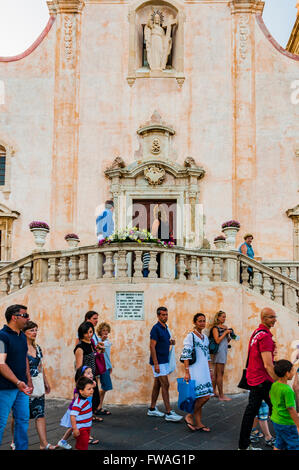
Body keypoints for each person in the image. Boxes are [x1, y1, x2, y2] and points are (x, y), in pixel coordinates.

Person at [238, 307, 277, 450]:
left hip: (254, 378)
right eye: (271, 317)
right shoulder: (265, 336)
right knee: (279, 410)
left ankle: (243, 445)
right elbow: (268, 364)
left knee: (251, 412)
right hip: (263, 380)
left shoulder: (257, 333)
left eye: (275, 316)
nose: (274, 319)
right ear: (263, 318)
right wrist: (278, 382)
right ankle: (286, 441)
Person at [0, 304, 33, 450]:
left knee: (23, 420)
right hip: (4, 388)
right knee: (0, 423)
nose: (28, 318)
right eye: (25, 315)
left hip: (21, 388)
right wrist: (17, 381)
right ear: (14, 317)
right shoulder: (1, 337)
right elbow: (1, 364)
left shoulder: (21, 336)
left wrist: (28, 379)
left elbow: (24, 358)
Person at [20, 321, 56, 450]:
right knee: (20, 416)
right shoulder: (20, 348)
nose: (35, 332)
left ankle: (43, 443)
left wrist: (46, 382)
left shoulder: (38, 348)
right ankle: (15, 441)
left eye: (36, 330)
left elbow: (40, 366)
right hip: (24, 386)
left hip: (38, 384)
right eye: (31, 330)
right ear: (24, 332)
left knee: (40, 414)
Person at [148, 306, 182, 422]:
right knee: (165, 384)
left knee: (157, 385)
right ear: (158, 316)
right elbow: (152, 346)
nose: (165, 317)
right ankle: (168, 412)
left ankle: (152, 409)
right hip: (159, 361)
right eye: (162, 315)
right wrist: (156, 364)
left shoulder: (165, 327)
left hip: (165, 360)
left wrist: (170, 342)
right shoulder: (155, 328)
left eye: (166, 314)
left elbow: (163, 341)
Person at [182, 313, 214, 432]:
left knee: (201, 396)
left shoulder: (205, 338)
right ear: (195, 322)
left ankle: (199, 423)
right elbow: (186, 355)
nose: (202, 323)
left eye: (204, 321)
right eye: (200, 321)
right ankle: (190, 415)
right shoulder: (190, 336)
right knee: (204, 397)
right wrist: (187, 372)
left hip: (204, 370)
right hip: (194, 370)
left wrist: (210, 369)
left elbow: (207, 356)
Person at [58, 366, 99, 449]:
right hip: (77, 412)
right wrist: (76, 428)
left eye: (91, 372)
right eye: (88, 373)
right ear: (81, 375)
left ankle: (65, 440)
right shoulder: (79, 394)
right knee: (73, 427)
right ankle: (65, 440)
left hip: (82, 413)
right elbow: (77, 405)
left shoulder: (88, 386)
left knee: (73, 428)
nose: (91, 374)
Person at [74, 321, 103, 424]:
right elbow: (79, 367)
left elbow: (92, 357)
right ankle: (82, 422)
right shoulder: (80, 347)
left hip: (92, 376)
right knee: (86, 402)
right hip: (85, 379)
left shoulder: (91, 344)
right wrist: (83, 383)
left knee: (95, 400)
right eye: (87, 333)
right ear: (82, 334)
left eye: (91, 332)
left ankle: (90, 417)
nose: (89, 335)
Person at [270, 359, 299, 450]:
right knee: (294, 445)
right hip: (287, 423)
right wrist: (298, 424)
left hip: (276, 420)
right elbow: (291, 409)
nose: (294, 373)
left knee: (279, 442)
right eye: (292, 371)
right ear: (287, 373)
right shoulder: (287, 390)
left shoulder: (274, 385)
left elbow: (270, 396)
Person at [209, 310, 232, 401]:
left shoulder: (225, 327)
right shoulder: (215, 328)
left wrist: (229, 335)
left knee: (216, 373)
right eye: (223, 316)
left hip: (224, 351)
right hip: (219, 352)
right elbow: (217, 340)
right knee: (220, 373)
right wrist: (225, 333)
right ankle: (221, 395)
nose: (224, 318)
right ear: (218, 317)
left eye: (225, 316)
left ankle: (214, 392)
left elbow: (227, 341)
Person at [70, 376, 94, 450]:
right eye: (89, 389)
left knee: (83, 444)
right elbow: (72, 416)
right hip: (81, 428)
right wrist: (75, 429)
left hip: (87, 426)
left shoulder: (86, 399)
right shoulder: (78, 403)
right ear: (81, 391)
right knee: (83, 446)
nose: (92, 390)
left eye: (92, 388)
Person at [95, 322, 113, 416]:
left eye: (107, 331)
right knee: (102, 386)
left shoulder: (108, 342)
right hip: (98, 366)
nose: (105, 332)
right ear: (100, 331)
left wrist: (110, 366)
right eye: (103, 330)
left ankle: (98, 406)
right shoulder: (97, 340)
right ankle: (97, 407)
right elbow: (97, 346)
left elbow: (106, 355)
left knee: (105, 387)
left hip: (105, 366)